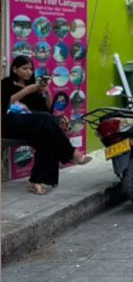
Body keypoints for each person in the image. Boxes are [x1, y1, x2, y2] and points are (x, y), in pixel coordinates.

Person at [1, 55, 91, 195]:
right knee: (46, 121)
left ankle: (35, 181)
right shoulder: (6, 83)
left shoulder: (34, 86)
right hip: (9, 123)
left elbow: (47, 110)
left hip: (31, 125)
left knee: (47, 136)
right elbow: (5, 104)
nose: (28, 72)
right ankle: (72, 153)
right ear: (15, 69)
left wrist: (47, 92)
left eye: (31, 69)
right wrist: (27, 90)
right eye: (24, 68)